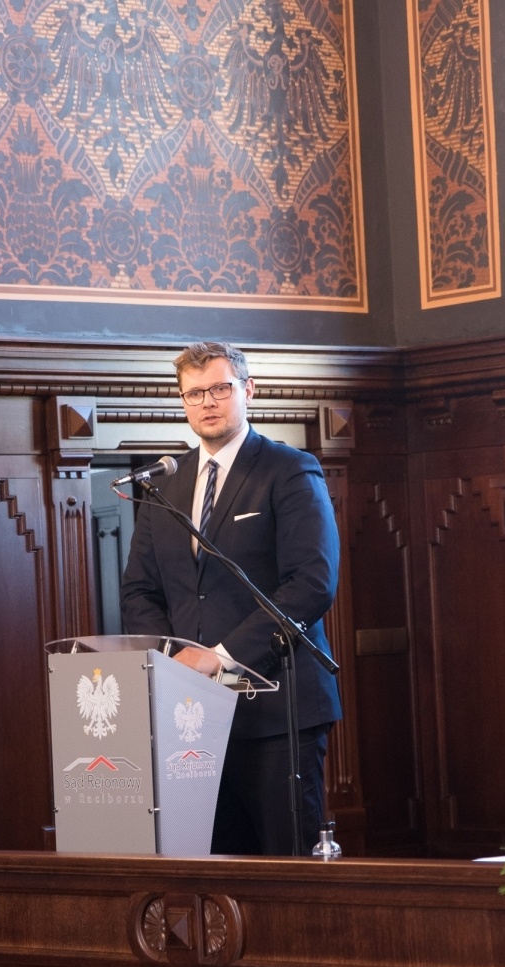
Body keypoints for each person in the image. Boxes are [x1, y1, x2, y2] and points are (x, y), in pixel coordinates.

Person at [120, 341, 342, 855]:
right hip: (190, 719)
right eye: (194, 393)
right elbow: (140, 590)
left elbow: (311, 584)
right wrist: (177, 657)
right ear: (182, 402)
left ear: (248, 390)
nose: (208, 402)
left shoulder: (289, 470)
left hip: (274, 712)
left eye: (220, 388)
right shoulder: (163, 487)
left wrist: (219, 657)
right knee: (215, 872)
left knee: (284, 873)